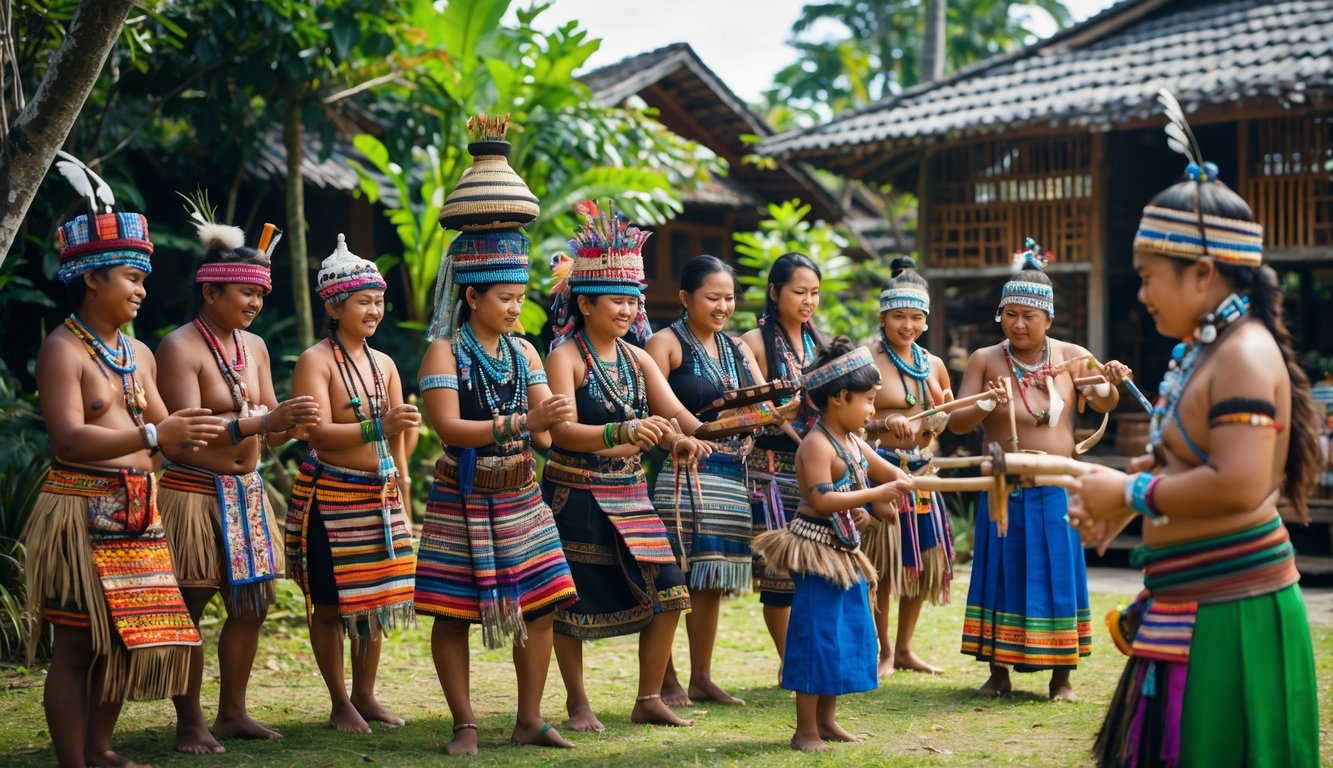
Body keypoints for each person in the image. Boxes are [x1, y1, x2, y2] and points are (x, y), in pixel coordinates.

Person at [1069, 115, 1320, 766]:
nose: (1142, 294)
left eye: (1150, 276)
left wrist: (1127, 487)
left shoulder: (1242, 355)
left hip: (1230, 613)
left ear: (1203, 274)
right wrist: (1127, 501)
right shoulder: (1208, 351)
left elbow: (1239, 483)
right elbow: (1191, 459)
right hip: (1194, 606)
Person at [26, 207, 225, 768]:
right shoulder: (62, 350)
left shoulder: (137, 355)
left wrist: (253, 428)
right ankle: (74, 761)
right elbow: (67, 439)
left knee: (126, 637)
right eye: (131, 279)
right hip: (80, 508)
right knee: (76, 646)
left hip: (139, 508)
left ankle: (100, 747)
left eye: (144, 280)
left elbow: (173, 436)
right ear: (93, 278)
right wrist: (157, 432)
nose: (142, 290)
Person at [414, 163, 580, 753]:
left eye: (521, 297)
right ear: (472, 294)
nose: (515, 307)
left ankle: (530, 718)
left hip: (521, 493)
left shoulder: (525, 350)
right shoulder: (444, 351)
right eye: (505, 297)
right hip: (463, 492)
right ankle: (464, 722)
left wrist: (570, 423)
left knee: (544, 605)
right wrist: (525, 421)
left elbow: (544, 433)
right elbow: (449, 428)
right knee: (452, 611)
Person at [541, 200, 710, 732]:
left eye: (633, 300)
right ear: (585, 303)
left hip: (630, 493)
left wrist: (689, 439)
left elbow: (677, 414)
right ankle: (577, 703)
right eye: (617, 300)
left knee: (671, 590)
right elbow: (561, 433)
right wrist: (624, 431)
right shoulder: (564, 356)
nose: (628, 310)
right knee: (571, 602)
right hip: (577, 493)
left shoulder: (637, 358)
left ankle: (646, 697)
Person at [156, 214, 321, 754]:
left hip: (246, 492)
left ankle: (232, 713)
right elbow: (184, 435)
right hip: (194, 493)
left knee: (250, 605)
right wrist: (261, 423)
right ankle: (189, 723)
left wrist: (294, 421)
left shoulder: (254, 348)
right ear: (211, 290)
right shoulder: (180, 347)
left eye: (260, 294)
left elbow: (268, 414)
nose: (255, 303)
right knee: (193, 604)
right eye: (246, 292)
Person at [947, 238, 1122, 700]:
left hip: (1057, 486)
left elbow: (1105, 400)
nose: (1018, 324)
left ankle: (1061, 678)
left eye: (1029, 316)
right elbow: (957, 420)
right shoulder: (986, 359)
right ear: (1000, 315)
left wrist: (1106, 383)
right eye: (1010, 315)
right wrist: (987, 400)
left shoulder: (1072, 355)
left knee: (1057, 572)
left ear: (1049, 319)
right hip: (1003, 484)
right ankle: (998, 672)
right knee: (1001, 571)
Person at [752, 338, 913, 752]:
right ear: (840, 398)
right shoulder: (817, 444)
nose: (873, 410)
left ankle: (827, 721)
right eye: (869, 400)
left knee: (844, 635)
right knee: (816, 638)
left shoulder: (855, 443)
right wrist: (875, 495)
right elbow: (822, 499)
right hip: (817, 552)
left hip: (845, 551)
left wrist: (895, 489)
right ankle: (804, 729)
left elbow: (887, 477)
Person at [286, 234, 419, 733]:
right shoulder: (314, 361)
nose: (375, 311)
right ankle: (339, 700)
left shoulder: (383, 363)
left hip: (379, 494)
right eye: (365, 302)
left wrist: (402, 490)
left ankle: (365, 694)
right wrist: (375, 428)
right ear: (336, 305)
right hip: (331, 495)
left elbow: (400, 434)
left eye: (379, 302)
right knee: (329, 604)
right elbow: (312, 431)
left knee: (377, 600)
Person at [647, 255, 764, 707]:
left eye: (729, 298)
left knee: (710, 578)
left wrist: (767, 415)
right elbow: (649, 406)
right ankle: (665, 677)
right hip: (682, 468)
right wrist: (683, 436)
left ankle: (702, 676)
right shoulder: (666, 343)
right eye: (712, 297)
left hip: (730, 471)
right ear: (684, 298)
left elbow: (763, 399)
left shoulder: (737, 348)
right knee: (673, 573)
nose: (722, 306)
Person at [863, 257, 957, 676]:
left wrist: (942, 417)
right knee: (883, 564)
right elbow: (849, 417)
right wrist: (884, 421)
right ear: (883, 315)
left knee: (921, 563)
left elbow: (947, 409)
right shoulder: (866, 358)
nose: (908, 326)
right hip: (883, 470)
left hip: (923, 473)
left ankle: (904, 648)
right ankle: (883, 649)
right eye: (899, 316)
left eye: (917, 317)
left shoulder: (933, 363)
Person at [738, 252, 826, 672]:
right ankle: (788, 661)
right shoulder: (751, 343)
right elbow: (762, 410)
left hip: (817, 465)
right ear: (775, 292)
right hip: (770, 467)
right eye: (798, 292)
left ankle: (804, 657)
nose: (808, 301)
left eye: (814, 293)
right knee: (779, 571)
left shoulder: (819, 343)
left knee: (813, 565)